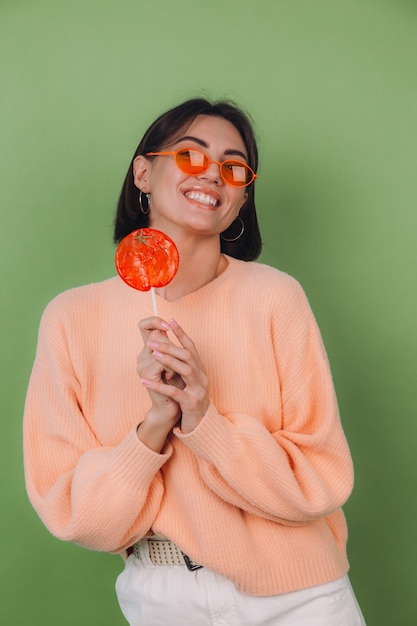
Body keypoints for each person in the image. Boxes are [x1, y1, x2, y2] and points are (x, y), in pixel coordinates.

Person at [23, 97, 366, 625]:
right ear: (143, 171)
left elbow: (320, 479)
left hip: (302, 598)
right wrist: (155, 424)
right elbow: (78, 516)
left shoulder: (276, 297)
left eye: (233, 166)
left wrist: (204, 419)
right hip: (162, 601)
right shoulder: (71, 318)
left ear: (242, 194)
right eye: (190, 155)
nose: (213, 174)